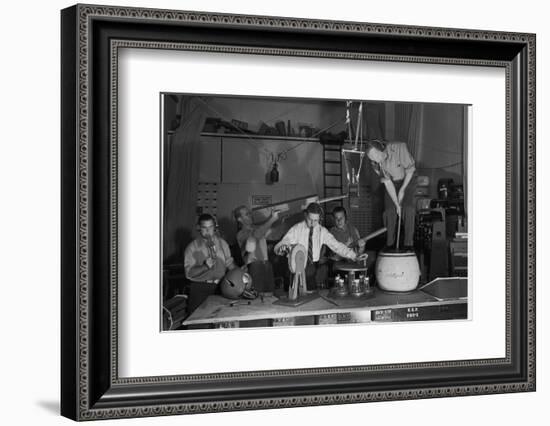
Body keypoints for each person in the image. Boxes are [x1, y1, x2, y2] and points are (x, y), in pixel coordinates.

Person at [274, 203, 367, 291]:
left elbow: (337, 246)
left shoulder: (322, 231)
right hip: (294, 267)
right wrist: (282, 247)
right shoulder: (296, 229)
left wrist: (354, 256)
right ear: (306, 215)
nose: (312, 223)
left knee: (311, 295)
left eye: (316, 220)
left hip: (311, 267)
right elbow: (283, 243)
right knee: (293, 295)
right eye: (310, 219)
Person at [366, 140, 416, 248]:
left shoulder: (398, 147)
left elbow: (410, 170)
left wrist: (402, 189)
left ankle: (408, 245)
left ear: (381, 149)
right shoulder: (376, 164)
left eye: (375, 155)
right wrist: (396, 204)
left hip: (407, 179)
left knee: (408, 210)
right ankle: (390, 244)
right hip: (393, 183)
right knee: (389, 212)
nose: (374, 160)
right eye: (371, 158)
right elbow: (388, 183)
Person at [183, 214, 236, 315]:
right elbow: (188, 274)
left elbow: (230, 265)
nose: (208, 231)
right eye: (204, 227)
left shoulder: (223, 243)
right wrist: (205, 266)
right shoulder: (191, 247)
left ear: (215, 227)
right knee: (198, 321)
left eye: (210, 227)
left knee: (220, 319)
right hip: (200, 288)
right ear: (199, 228)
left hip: (221, 287)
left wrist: (239, 272)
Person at [234, 205, 280, 294]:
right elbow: (256, 235)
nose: (250, 215)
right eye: (247, 214)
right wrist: (272, 219)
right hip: (254, 267)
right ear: (239, 219)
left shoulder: (258, 228)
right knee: (257, 297)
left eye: (250, 213)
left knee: (270, 296)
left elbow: (275, 234)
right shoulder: (240, 234)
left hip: (267, 265)